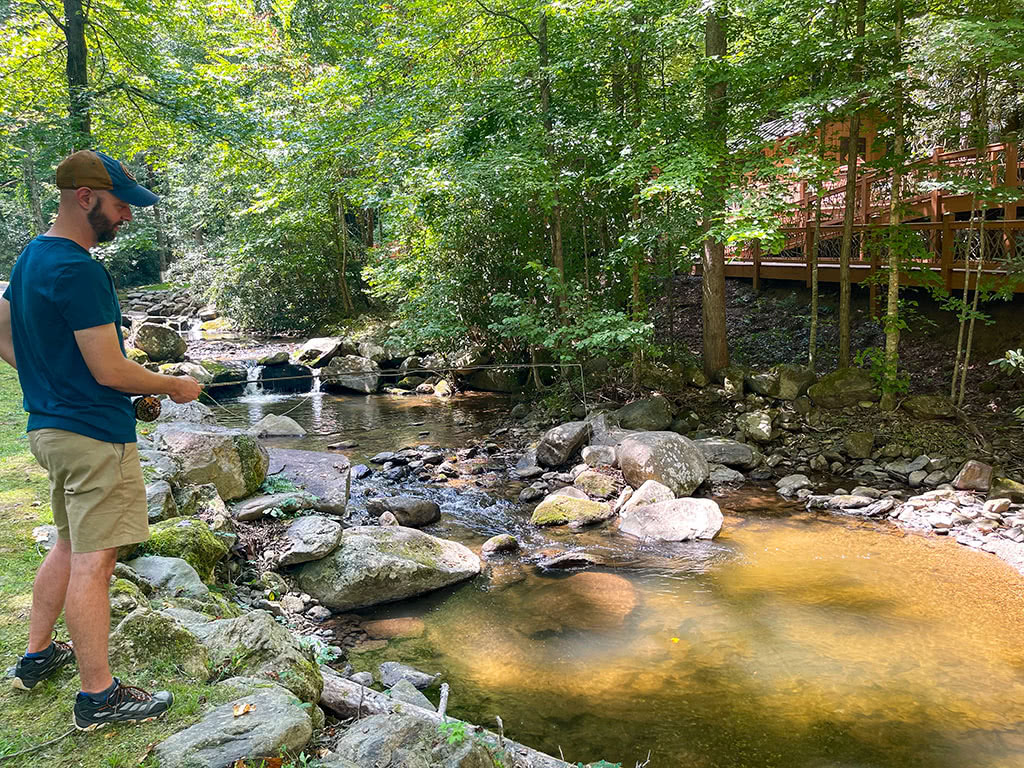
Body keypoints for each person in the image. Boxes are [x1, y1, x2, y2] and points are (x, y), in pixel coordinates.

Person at [0, 149, 203, 731]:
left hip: (50, 430)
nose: (128, 217)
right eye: (121, 205)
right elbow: (112, 372)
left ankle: (37, 657)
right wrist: (173, 385)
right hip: (94, 438)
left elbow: (2, 327)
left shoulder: (31, 258)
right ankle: (99, 698)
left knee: (67, 543)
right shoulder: (80, 269)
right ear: (85, 197)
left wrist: (44, 376)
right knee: (96, 560)